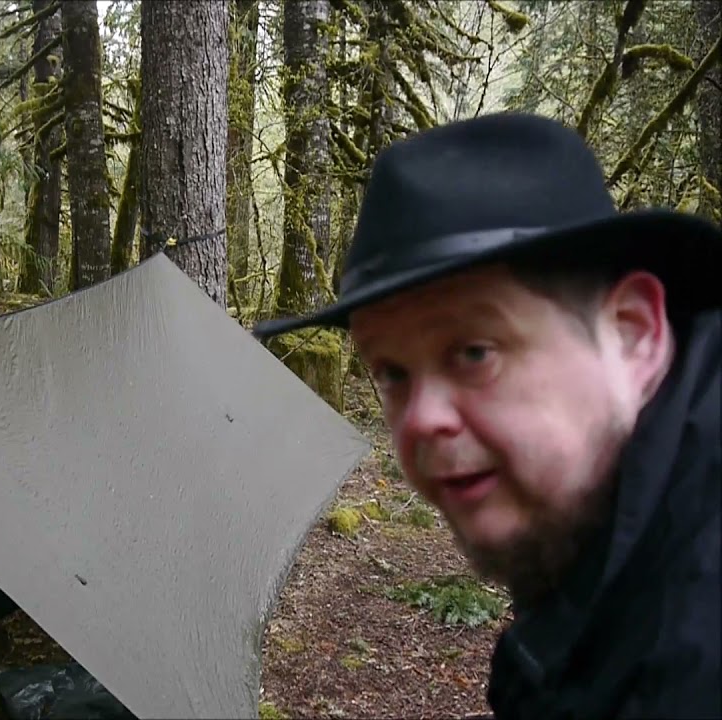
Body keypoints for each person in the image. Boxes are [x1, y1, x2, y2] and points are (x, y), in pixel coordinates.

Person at [253, 112, 720, 719]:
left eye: (476, 352)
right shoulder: (613, 547)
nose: (420, 420)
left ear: (633, 335)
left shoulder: (694, 652)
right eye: (392, 373)